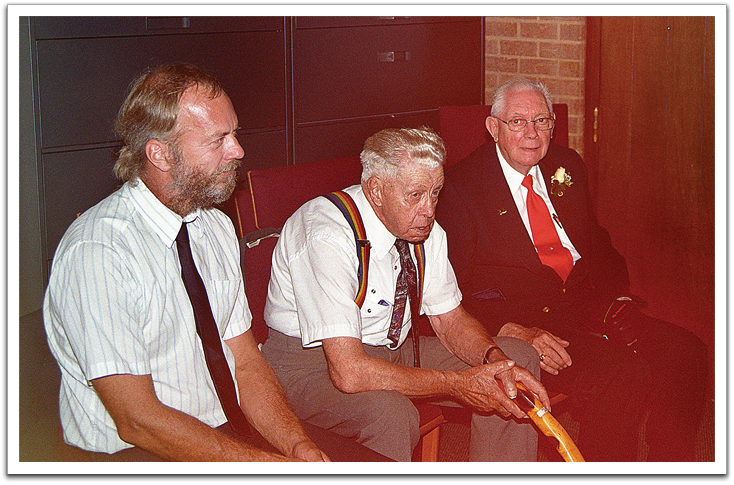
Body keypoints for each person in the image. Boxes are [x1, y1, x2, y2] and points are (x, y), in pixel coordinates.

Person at [43, 63, 385, 462]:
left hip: (223, 429)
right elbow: (137, 419)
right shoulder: (98, 253)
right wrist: (266, 465)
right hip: (135, 451)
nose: (237, 150)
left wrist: (298, 446)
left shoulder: (215, 226)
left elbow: (245, 362)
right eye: (217, 140)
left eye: (235, 133)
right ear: (160, 154)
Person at [436, 76, 708, 462]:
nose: (531, 133)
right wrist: (510, 331)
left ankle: (671, 463)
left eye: (542, 121)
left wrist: (618, 297)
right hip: (534, 327)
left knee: (685, 352)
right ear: (493, 128)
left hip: (593, 304)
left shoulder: (567, 164)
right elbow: (450, 287)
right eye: (517, 122)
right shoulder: (461, 188)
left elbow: (598, 243)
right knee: (621, 376)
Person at [261, 126, 550, 462]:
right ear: (376, 190)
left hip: (391, 348)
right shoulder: (326, 235)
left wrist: (494, 362)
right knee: (390, 412)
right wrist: (456, 383)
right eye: (415, 195)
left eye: (435, 193)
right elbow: (350, 372)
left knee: (516, 358)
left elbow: (450, 319)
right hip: (310, 367)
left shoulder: (426, 231)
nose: (429, 209)